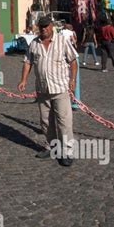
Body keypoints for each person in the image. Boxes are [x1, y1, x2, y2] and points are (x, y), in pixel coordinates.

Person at [18, 16, 78, 167]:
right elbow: (27, 62)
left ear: (52, 26)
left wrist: (72, 80)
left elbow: (73, 61)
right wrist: (23, 80)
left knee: (64, 121)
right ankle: (52, 147)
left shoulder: (62, 41)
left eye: (46, 26)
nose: (43, 29)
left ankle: (67, 152)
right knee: (45, 121)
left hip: (60, 88)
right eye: (41, 27)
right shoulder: (34, 43)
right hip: (43, 89)